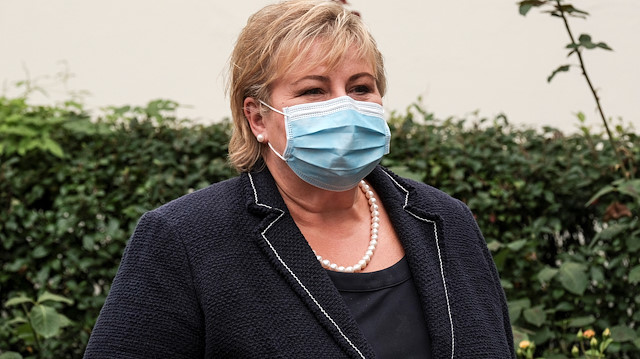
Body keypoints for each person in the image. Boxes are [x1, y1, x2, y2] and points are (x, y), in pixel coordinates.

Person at [84, 0, 515, 357]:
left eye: (361, 87)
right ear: (257, 117)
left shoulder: (446, 221)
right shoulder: (185, 239)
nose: (345, 108)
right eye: (314, 90)